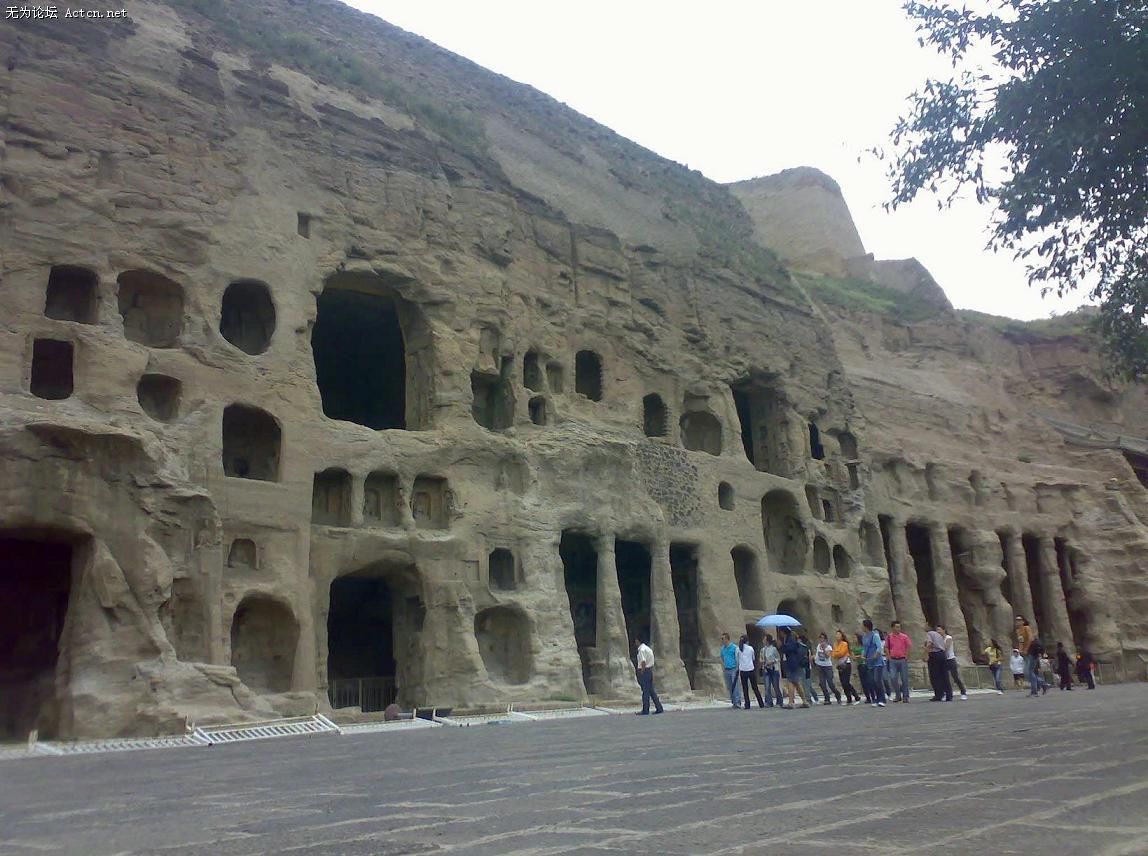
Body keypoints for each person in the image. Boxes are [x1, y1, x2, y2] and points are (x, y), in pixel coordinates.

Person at [779, 627, 810, 709]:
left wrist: (782, 646)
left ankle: (793, 702)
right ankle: (802, 701)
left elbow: (790, 649)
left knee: (792, 682)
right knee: (794, 682)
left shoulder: (790, 640)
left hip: (792, 663)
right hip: (791, 663)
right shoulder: (787, 639)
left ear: (783, 632)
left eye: (781, 632)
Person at [634, 637, 664, 714]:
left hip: (645, 671)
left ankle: (645, 709)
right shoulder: (648, 649)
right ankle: (659, 707)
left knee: (645, 692)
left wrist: (642, 671)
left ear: (638, 641)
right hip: (649, 670)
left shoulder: (641, 650)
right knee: (651, 691)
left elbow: (643, 662)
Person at [861, 619, 886, 706]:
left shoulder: (875, 635)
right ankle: (875, 699)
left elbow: (879, 647)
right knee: (871, 681)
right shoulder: (864, 637)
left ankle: (882, 699)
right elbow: (864, 648)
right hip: (869, 661)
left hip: (877, 662)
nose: (861, 627)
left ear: (866, 626)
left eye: (862, 625)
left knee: (877, 680)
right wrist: (863, 655)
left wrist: (876, 655)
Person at [886, 620, 912, 703]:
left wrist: (906, 656)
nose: (898, 628)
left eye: (899, 627)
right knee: (893, 678)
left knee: (904, 678)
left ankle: (905, 696)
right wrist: (889, 657)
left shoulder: (904, 636)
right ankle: (898, 695)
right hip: (893, 659)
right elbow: (886, 647)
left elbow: (909, 646)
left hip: (902, 659)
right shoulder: (889, 637)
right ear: (892, 627)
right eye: (896, 627)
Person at [833, 629, 862, 704]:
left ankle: (855, 695)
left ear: (842, 636)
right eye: (836, 634)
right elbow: (833, 654)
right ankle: (849, 698)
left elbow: (841, 653)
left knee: (846, 682)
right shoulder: (835, 644)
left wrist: (837, 653)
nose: (837, 636)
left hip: (846, 664)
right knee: (843, 683)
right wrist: (837, 653)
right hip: (839, 665)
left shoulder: (844, 644)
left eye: (839, 634)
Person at [940, 625, 968, 700]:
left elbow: (946, 647)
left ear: (943, 630)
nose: (938, 632)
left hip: (950, 659)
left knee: (955, 677)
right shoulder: (939, 639)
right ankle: (946, 693)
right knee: (944, 678)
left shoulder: (948, 638)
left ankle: (963, 692)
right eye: (937, 630)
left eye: (939, 630)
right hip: (943, 660)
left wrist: (938, 647)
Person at [738, 635, 766, 709]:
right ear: (747, 641)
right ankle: (761, 703)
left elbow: (737, 659)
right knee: (755, 687)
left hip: (743, 669)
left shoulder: (738, 649)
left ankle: (747, 704)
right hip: (750, 669)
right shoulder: (750, 648)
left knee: (745, 688)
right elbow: (753, 658)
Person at [814, 632, 842, 705]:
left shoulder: (829, 647)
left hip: (827, 666)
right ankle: (827, 698)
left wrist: (824, 649)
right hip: (820, 666)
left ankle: (837, 694)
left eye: (822, 638)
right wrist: (815, 661)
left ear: (825, 639)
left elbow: (827, 656)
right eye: (820, 638)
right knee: (822, 683)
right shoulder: (818, 646)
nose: (821, 639)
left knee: (830, 683)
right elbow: (817, 655)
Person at [926, 626, 952, 701]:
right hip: (942, 654)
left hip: (934, 654)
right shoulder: (939, 635)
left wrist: (925, 653)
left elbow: (929, 643)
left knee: (934, 676)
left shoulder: (929, 633)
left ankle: (939, 695)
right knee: (944, 675)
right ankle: (949, 695)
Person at [760, 634, 784, 707]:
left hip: (774, 669)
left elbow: (778, 658)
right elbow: (761, 658)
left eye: (764, 639)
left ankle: (779, 701)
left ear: (767, 640)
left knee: (776, 686)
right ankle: (769, 702)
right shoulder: (762, 650)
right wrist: (761, 661)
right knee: (767, 687)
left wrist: (772, 661)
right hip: (766, 669)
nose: (763, 640)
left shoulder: (774, 649)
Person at [720, 632, 742, 708]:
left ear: (727, 639)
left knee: (736, 686)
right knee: (730, 686)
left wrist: (737, 667)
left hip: (734, 668)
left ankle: (738, 701)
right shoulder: (722, 649)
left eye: (722, 638)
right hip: (727, 669)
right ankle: (733, 701)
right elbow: (722, 658)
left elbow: (737, 658)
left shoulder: (734, 648)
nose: (722, 640)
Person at [797, 633, 820, 705]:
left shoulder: (804, 648)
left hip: (806, 667)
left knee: (806, 684)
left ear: (800, 640)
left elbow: (809, 657)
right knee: (807, 685)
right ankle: (814, 697)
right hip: (806, 667)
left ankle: (809, 699)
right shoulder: (803, 647)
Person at [853, 632, 873, 704]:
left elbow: (863, 655)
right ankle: (868, 697)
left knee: (868, 681)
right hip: (859, 665)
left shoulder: (863, 646)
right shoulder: (854, 648)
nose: (854, 639)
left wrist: (858, 656)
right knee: (863, 682)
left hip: (864, 664)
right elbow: (853, 658)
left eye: (855, 638)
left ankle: (872, 696)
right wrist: (858, 656)